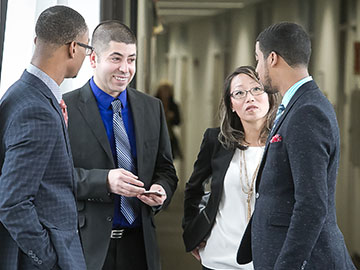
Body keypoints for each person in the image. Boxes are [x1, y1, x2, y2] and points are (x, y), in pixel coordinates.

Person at [237, 22, 356, 270]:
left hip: (306, 261)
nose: (257, 69)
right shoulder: (297, 105)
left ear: (272, 58)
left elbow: (312, 205)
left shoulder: (307, 111)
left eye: (257, 59)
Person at [63, 20, 178, 270]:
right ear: (93, 59)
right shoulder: (66, 108)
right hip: (87, 247)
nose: (125, 68)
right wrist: (105, 181)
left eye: (131, 59)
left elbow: (166, 169)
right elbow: (55, 177)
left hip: (140, 247)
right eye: (116, 58)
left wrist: (162, 189)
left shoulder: (152, 107)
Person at [0, 5, 89, 270]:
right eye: (88, 48)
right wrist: (48, 258)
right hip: (40, 259)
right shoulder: (36, 109)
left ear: (37, 41)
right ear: (73, 47)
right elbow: (13, 202)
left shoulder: (22, 93)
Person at [182, 66, 278, 270]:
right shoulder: (216, 141)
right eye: (239, 93)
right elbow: (193, 188)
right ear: (232, 104)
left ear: (270, 96)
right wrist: (192, 231)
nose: (249, 98)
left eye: (257, 89)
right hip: (219, 258)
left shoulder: (284, 144)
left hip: (268, 260)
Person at [155, 81, 182, 159]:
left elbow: (178, 121)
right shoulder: (154, 103)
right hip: (156, 135)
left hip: (169, 135)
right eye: (163, 90)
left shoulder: (173, 105)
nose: (165, 93)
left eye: (167, 90)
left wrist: (172, 117)